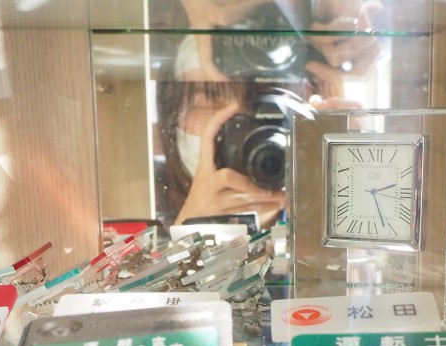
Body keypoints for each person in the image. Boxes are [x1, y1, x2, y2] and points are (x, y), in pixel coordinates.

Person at [153, 0, 382, 225]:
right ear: (172, 112)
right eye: (210, 99)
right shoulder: (147, 193)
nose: (247, 125)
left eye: (266, 100)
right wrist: (191, 226)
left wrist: (354, 197)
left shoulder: (324, 200)